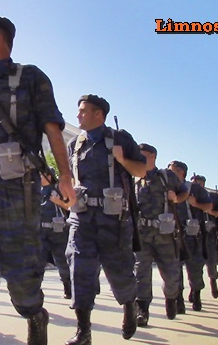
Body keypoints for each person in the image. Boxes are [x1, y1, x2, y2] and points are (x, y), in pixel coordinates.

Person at [0, 14, 75, 345]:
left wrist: (65, 175)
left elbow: (52, 127)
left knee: (20, 271)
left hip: (17, 187)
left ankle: (34, 313)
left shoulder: (30, 77)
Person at [64, 94, 146, 344]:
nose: (77, 115)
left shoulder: (120, 138)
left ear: (98, 114)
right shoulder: (74, 144)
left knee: (119, 270)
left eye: (83, 111)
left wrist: (122, 159)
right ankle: (83, 330)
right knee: (79, 270)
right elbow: (69, 178)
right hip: (82, 218)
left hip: (114, 219)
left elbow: (141, 170)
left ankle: (130, 305)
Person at [134, 143, 188, 327]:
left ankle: (171, 298)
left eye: (143, 155)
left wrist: (176, 197)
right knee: (141, 272)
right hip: (143, 235)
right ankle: (142, 309)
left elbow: (185, 192)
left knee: (171, 274)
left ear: (153, 157)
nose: (139, 159)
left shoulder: (167, 176)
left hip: (165, 235)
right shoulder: (136, 178)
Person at [168, 161, 212, 313]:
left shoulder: (195, 189)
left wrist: (195, 204)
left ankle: (196, 294)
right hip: (172, 236)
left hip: (192, 236)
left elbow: (209, 207)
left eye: (171, 171)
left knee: (195, 269)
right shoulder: (166, 188)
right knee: (174, 270)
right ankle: (178, 298)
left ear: (181, 173)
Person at [191, 174, 218, 299]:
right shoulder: (188, 197)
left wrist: (209, 211)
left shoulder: (212, 197)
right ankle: (195, 290)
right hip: (194, 236)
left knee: (211, 265)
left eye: (198, 184)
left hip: (210, 236)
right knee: (195, 266)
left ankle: (213, 280)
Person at [39, 168, 71, 299]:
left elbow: (71, 206)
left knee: (62, 261)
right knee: (38, 262)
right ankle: (35, 291)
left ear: (49, 176)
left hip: (57, 230)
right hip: (40, 232)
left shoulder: (58, 189)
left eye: (41, 175)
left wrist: (59, 202)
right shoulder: (35, 191)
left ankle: (68, 288)